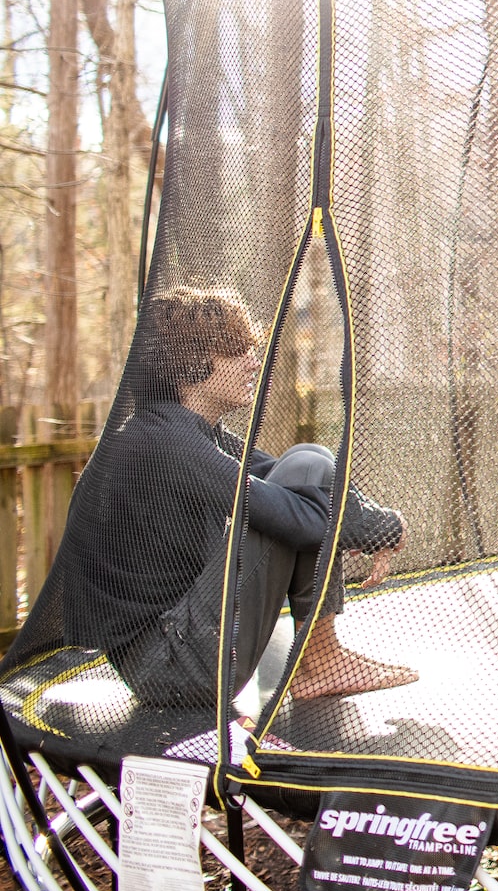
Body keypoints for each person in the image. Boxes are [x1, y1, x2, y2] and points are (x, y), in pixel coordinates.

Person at [60, 285, 415, 707]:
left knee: (308, 458)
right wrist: (376, 529)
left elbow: (299, 472)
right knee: (291, 505)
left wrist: (369, 522)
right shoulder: (163, 442)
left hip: (179, 646)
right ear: (190, 365)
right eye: (235, 351)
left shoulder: (180, 430)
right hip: (175, 667)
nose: (253, 361)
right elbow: (287, 515)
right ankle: (321, 661)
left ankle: (321, 661)